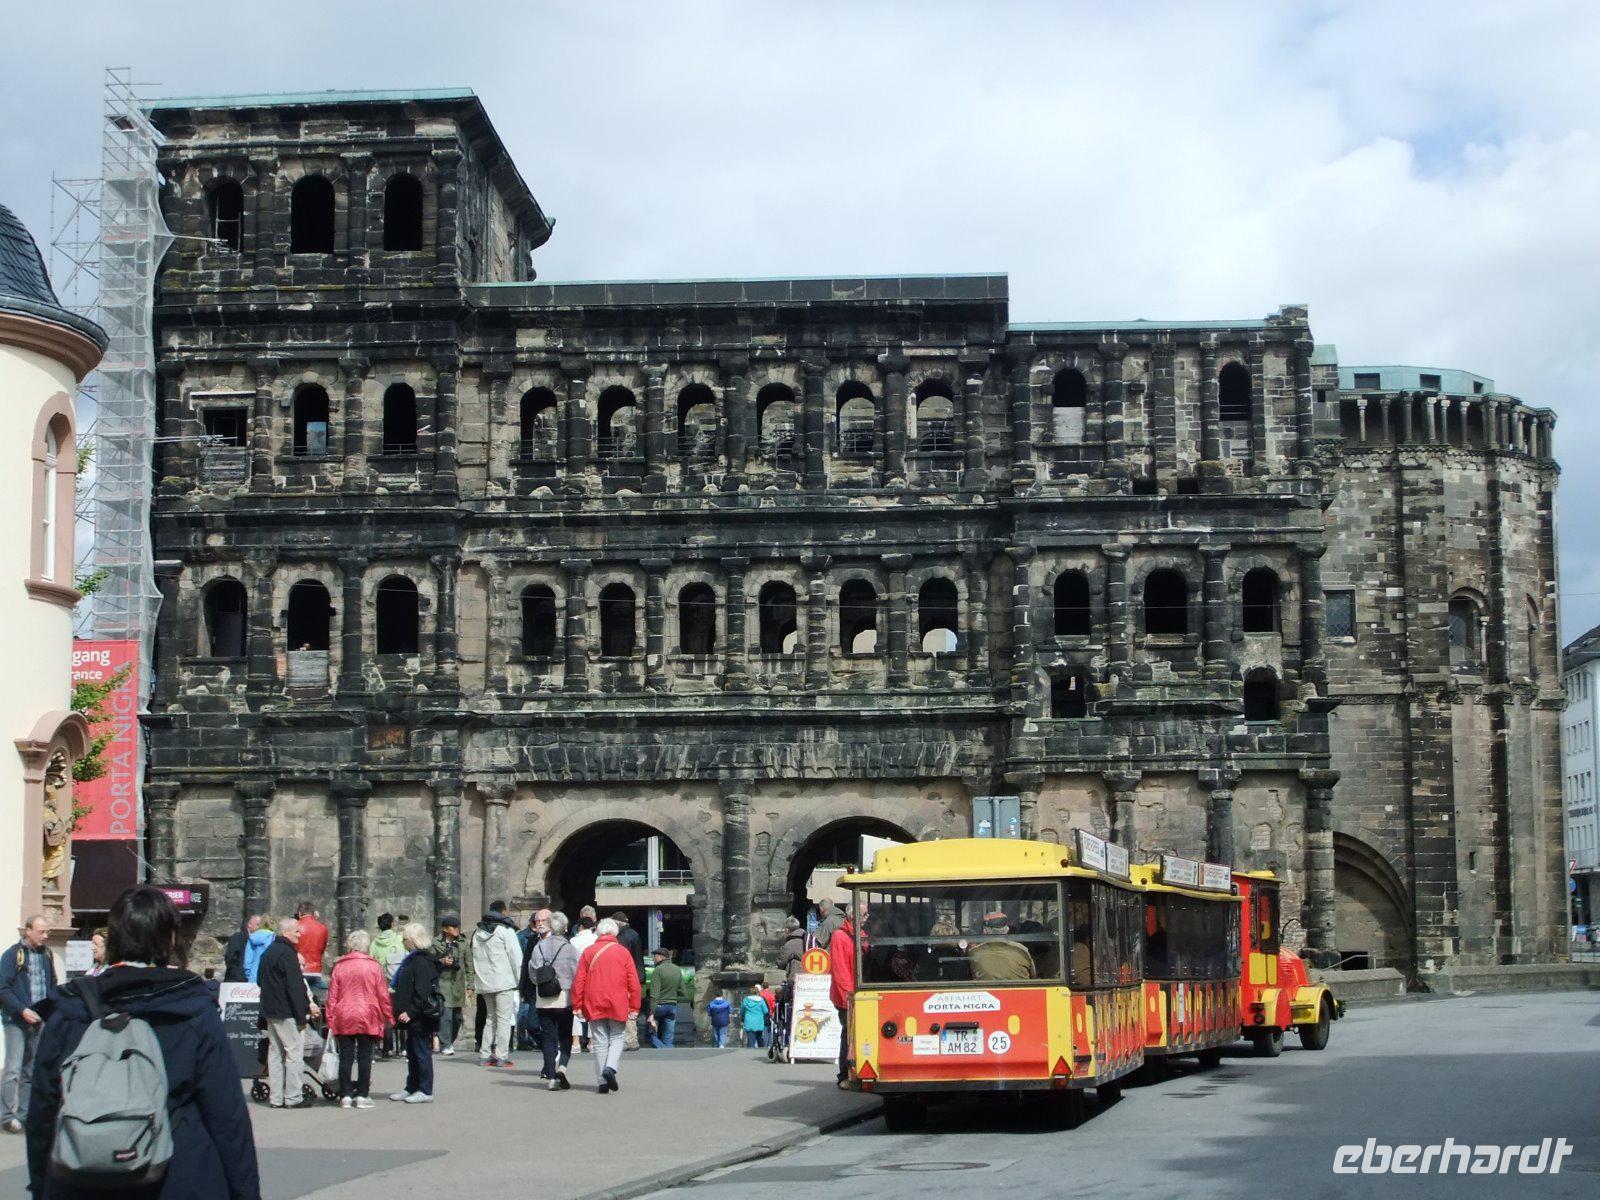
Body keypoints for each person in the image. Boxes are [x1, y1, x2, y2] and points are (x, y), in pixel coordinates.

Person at [24, 886, 260, 1200]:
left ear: (114, 938)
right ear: (170, 939)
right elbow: (227, 1114)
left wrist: (41, 1183)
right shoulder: (191, 1006)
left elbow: (43, 1106)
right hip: (178, 1171)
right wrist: (245, 1192)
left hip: (83, 1171)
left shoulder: (71, 1008)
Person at [0, 915, 58, 1134]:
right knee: (13, 1069)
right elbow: (3, 988)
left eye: (47, 932)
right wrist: (22, 1009)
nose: (45, 936)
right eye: (41, 931)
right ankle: (7, 1116)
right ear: (28, 931)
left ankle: (24, 1115)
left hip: (38, 1019)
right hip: (16, 1020)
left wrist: (49, 1009)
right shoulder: (12, 955)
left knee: (30, 1070)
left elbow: (51, 984)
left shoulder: (47, 955)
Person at [571, 917, 640, 1095]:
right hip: (617, 1000)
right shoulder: (623, 952)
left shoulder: (588, 952)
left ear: (599, 932)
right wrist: (634, 1006)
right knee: (617, 1036)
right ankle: (610, 1068)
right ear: (615, 933)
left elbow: (579, 980)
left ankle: (602, 1082)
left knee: (600, 1040)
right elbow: (633, 982)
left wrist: (577, 1004)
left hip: (594, 1000)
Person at [325, 929, 391, 1110]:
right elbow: (382, 994)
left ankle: (345, 1094)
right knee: (364, 1056)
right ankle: (362, 1094)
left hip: (344, 1013)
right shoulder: (374, 966)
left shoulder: (340, 966)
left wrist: (330, 1016)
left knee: (345, 1056)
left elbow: (332, 995)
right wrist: (388, 1015)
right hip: (367, 1013)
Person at [257, 914, 318, 1108]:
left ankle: (276, 1098)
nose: (300, 934)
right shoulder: (288, 954)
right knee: (293, 1054)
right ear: (286, 932)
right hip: (287, 1011)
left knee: (275, 1054)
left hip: (270, 1010)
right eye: (296, 931)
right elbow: (295, 986)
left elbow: (259, 980)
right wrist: (302, 1014)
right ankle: (293, 1097)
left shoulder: (268, 952)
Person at [389, 923, 441, 1104]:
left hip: (420, 1016)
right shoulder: (414, 959)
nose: (403, 942)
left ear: (412, 940)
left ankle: (425, 1089)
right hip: (413, 1016)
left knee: (421, 1052)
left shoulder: (421, 961)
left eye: (404, 938)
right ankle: (411, 1086)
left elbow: (423, 990)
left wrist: (411, 1012)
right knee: (412, 1052)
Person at [527, 912, 577, 1090]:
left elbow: (532, 971)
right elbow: (575, 973)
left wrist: (540, 983)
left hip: (543, 997)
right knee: (565, 1036)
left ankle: (550, 1076)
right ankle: (562, 1066)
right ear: (564, 928)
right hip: (563, 997)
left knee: (548, 1037)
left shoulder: (539, 947)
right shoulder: (569, 948)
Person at [471, 900, 523, 1068]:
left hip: (485, 982)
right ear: (504, 912)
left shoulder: (478, 932)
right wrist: (519, 980)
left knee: (490, 1018)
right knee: (504, 1019)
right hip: (504, 980)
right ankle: (501, 1055)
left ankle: (484, 1054)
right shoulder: (505, 931)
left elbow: (475, 958)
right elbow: (516, 958)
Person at [828, 903, 863, 1086]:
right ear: (852, 916)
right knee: (848, 1034)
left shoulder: (861, 935)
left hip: (859, 993)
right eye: (863, 915)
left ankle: (856, 1071)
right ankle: (844, 1074)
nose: (866, 919)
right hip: (847, 996)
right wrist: (848, 999)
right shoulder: (840, 936)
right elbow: (841, 972)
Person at [431, 916, 468, 1056]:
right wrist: (442, 961)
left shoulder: (463, 942)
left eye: (458, 926)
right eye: (453, 927)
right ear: (445, 929)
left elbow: (469, 965)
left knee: (457, 1018)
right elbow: (430, 962)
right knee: (445, 1016)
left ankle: (449, 1041)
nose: (456, 929)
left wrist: (470, 986)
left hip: (458, 984)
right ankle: (445, 1044)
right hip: (443, 984)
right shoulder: (435, 943)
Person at [516, 907, 551, 1053]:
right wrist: (522, 988)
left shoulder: (559, 939)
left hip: (553, 988)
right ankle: (547, 1046)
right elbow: (525, 964)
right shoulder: (531, 940)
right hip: (535, 988)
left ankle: (551, 1052)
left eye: (543, 920)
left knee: (550, 1025)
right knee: (531, 1025)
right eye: (537, 921)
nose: (540, 923)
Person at [968, 912, 1035, 982]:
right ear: (1007, 930)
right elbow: (1033, 977)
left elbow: (971, 976)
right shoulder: (1021, 950)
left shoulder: (975, 952)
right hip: (1020, 992)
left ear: (985, 931)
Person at [645, 947, 688, 1048]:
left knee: (650, 1034)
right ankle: (668, 1052)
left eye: (654, 957)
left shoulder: (658, 970)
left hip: (659, 1005)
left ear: (660, 957)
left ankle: (662, 1048)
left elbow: (654, 993)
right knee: (668, 1036)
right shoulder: (677, 969)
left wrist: (651, 1013)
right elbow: (683, 992)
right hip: (672, 1005)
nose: (653, 959)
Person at [568, 914, 597, 1055]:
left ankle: (576, 1042)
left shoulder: (573, 940)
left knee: (577, 1010)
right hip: (593, 978)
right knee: (591, 1010)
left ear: (580, 926)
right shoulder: (596, 940)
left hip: (577, 977)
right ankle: (592, 1043)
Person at [294, 903, 329, 982]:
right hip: (316, 970)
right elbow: (322, 949)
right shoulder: (323, 928)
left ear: (299, 913)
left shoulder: (294, 927)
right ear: (313, 913)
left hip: (298, 969)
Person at [222, 914, 261, 983]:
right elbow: (230, 958)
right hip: (236, 980)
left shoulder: (258, 941)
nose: (260, 928)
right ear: (249, 924)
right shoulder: (238, 938)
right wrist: (237, 974)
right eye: (257, 925)